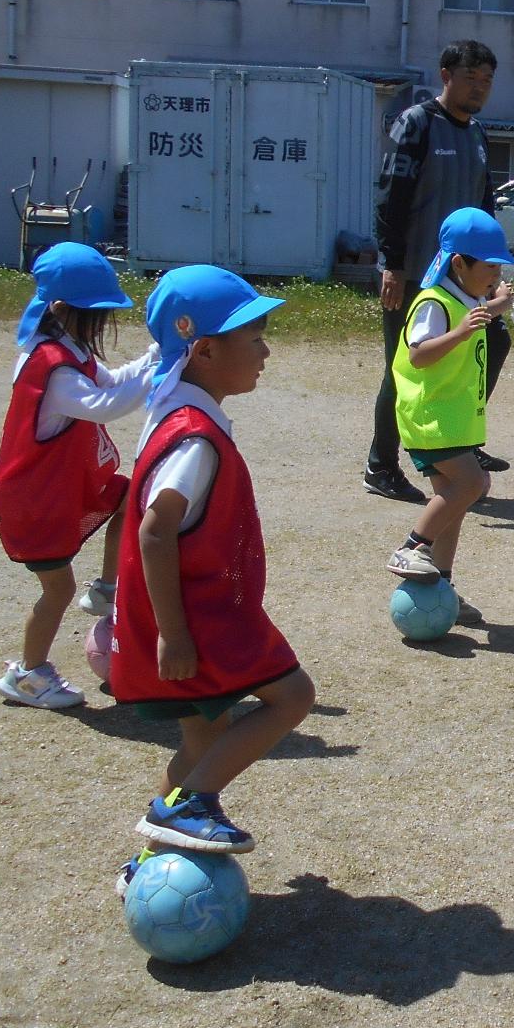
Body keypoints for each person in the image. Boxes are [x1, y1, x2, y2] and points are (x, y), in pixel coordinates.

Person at [110, 265, 316, 892]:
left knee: (205, 738)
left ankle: (152, 853)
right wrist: (172, 634)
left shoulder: (175, 413)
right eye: (253, 338)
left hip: (194, 616)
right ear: (203, 350)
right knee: (293, 697)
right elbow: (153, 529)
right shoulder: (194, 440)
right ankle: (190, 806)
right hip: (202, 620)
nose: (265, 351)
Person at [0, 243, 155, 710]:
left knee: (131, 495)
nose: (102, 324)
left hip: (61, 490)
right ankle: (28, 675)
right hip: (34, 501)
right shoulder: (51, 367)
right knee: (56, 588)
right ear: (62, 309)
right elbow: (108, 404)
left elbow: (112, 381)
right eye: (96, 313)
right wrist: (159, 367)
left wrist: (157, 352)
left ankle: (106, 590)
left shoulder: (69, 350)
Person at [367, 39, 512, 501]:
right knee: (405, 365)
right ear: (446, 75)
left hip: (465, 278)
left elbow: (485, 207)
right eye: (471, 77)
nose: (479, 88)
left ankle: (459, 445)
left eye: (487, 80)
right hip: (416, 274)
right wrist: (391, 262)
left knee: (491, 343)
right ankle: (381, 466)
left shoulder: (477, 134)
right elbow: (392, 195)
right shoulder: (418, 124)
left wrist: (491, 269)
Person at [386, 208, 514, 599]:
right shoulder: (434, 303)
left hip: (452, 419)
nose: (496, 275)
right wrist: (460, 333)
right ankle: (410, 548)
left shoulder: (463, 298)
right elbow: (419, 354)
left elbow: (471, 317)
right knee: (473, 483)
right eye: (490, 267)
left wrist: (496, 306)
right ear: (459, 263)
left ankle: (441, 587)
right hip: (430, 416)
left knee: (454, 502)